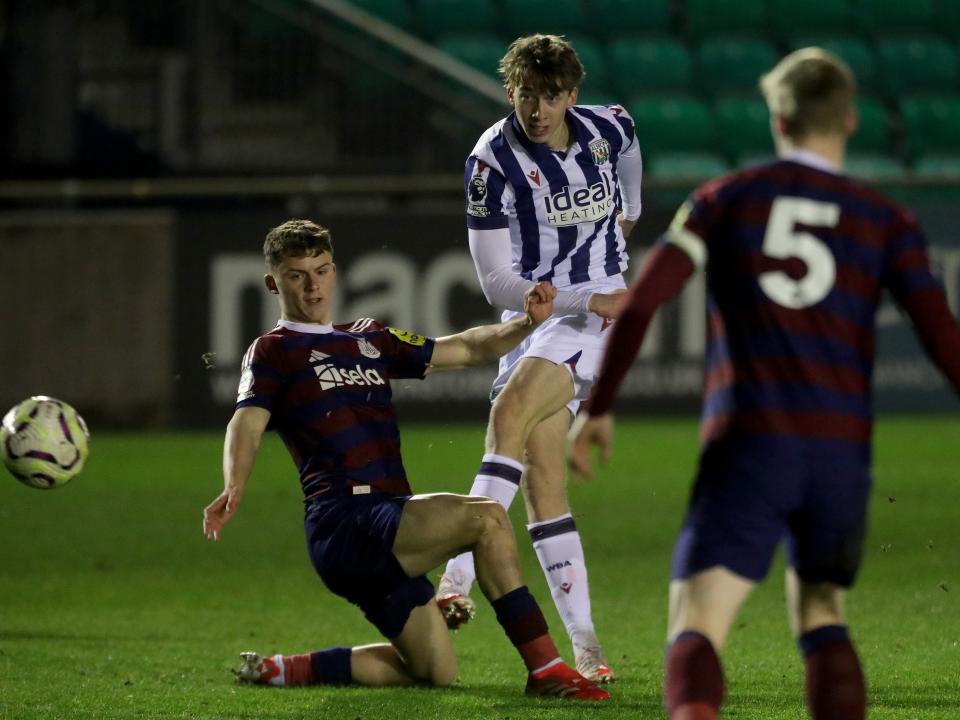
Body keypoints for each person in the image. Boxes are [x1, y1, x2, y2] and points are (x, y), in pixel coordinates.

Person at [569, 47, 960, 720]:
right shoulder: (887, 220)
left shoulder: (725, 200)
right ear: (851, 121)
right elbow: (944, 338)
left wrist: (599, 407)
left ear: (777, 117)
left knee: (698, 620)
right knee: (821, 611)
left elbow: (639, 302)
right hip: (840, 455)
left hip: (749, 442)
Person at [202, 219, 609, 700]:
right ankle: (547, 669)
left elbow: (462, 348)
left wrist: (526, 324)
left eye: (322, 269)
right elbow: (246, 423)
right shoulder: (273, 351)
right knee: (488, 519)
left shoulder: (366, 337)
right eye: (297, 275)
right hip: (346, 523)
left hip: (385, 523)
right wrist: (234, 485)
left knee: (434, 670)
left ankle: (284, 669)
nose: (313, 285)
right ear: (273, 283)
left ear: (335, 271)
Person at [436, 33, 643, 684]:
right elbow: (495, 278)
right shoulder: (490, 161)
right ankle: (585, 648)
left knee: (512, 408)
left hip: (592, 319)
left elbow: (630, 185)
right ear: (511, 92)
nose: (538, 110)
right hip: (535, 314)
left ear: (571, 96)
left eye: (551, 97)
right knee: (544, 485)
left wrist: (608, 262)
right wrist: (557, 293)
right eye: (527, 95)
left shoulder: (611, 129)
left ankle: (455, 579)